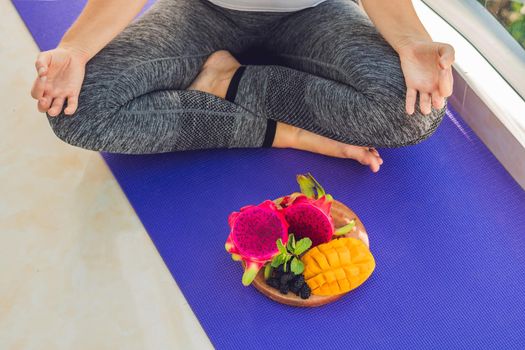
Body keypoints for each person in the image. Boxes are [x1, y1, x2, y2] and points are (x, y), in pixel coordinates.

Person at [30, 0, 454, 173]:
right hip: (202, 11)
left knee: (413, 113)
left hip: (315, 13)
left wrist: (411, 41)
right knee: (77, 109)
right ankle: (288, 133)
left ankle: (229, 80)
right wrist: (77, 48)